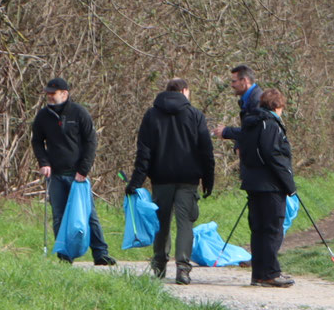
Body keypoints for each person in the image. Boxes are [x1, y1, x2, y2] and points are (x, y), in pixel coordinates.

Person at [126, 78, 215, 284]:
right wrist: (208, 179)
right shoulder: (195, 115)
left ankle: (159, 265)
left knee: (161, 223)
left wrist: (136, 182)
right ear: (185, 91)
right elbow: (206, 151)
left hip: (161, 179)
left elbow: (144, 153)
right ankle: (183, 269)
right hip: (188, 179)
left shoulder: (151, 115)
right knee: (185, 224)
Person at [215, 67, 296, 289]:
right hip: (270, 186)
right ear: (277, 107)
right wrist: (289, 184)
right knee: (271, 229)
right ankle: (270, 273)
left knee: (259, 229)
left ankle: (259, 274)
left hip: (252, 183)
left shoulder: (249, 124)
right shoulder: (270, 125)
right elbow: (273, 155)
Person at [30, 77, 116, 266]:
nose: (49, 97)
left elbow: (91, 141)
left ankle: (100, 253)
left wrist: (83, 169)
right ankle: (65, 255)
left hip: (77, 174)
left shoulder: (79, 113)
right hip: (55, 175)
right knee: (59, 215)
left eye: (53, 93)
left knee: (88, 214)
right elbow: (37, 141)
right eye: (48, 94)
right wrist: (43, 162)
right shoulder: (43, 116)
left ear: (65, 94)